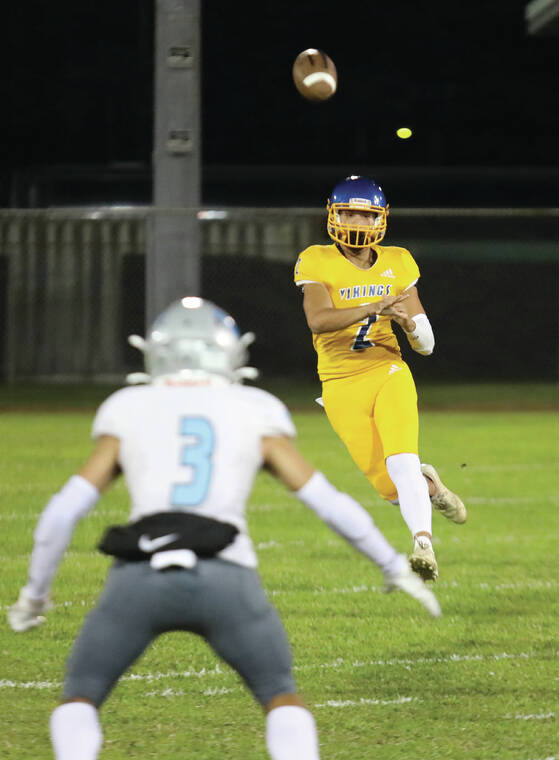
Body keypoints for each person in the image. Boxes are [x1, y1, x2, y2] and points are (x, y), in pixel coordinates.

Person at [8, 297, 440, 760]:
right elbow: (328, 503)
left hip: (139, 576)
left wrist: (34, 597)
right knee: (282, 698)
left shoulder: (128, 407)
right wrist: (391, 565)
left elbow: (62, 513)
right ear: (230, 352)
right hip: (226, 576)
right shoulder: (254, 408)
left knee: (78, 700)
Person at [294, 175, 467, 582]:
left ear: (381, 219)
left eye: (365, 215)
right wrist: (373, 307)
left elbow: (427, 346)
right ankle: (432, 489)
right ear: (334, 216)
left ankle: (423, 545)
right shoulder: (316, 259)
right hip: (339, 383)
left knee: (402, 461)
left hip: (387, 370)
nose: (357, 222)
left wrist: (408, 324)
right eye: (349, 213)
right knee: (391, 490)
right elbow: (318, 320)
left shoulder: (398, 261)